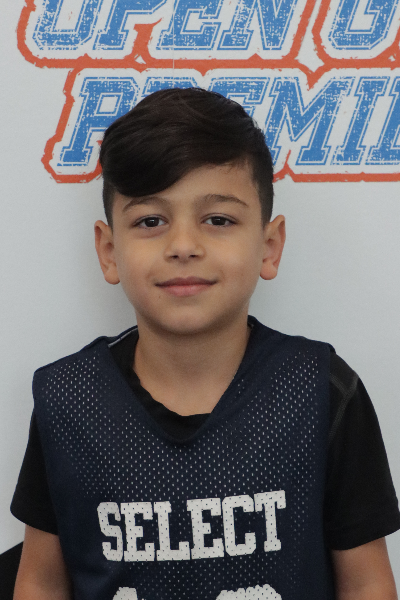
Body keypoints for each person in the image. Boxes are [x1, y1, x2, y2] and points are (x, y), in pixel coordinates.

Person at [11, 87, 399, 600]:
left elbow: (367, 583)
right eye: (151, 221)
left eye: (218, 220)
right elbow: (40, 581)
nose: (184, 246)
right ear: (108, 250)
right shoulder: (68, 398)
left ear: (269, 245)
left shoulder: (322, 389)